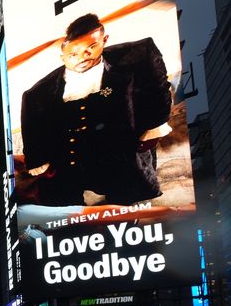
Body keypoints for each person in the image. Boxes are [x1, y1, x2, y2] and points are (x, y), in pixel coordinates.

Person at [20, 13, 173, 207]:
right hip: (70, 163)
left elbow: (158, 87)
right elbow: (32, 124)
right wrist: (37, 159)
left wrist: (155, 125)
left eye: (90, 49)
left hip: (120, 159)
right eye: (73, 54)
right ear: (63, 54)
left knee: (127, 208)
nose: (82, 58)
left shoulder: (138, 56)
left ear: (104, 40)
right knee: (67, 216)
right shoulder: (38, 93)